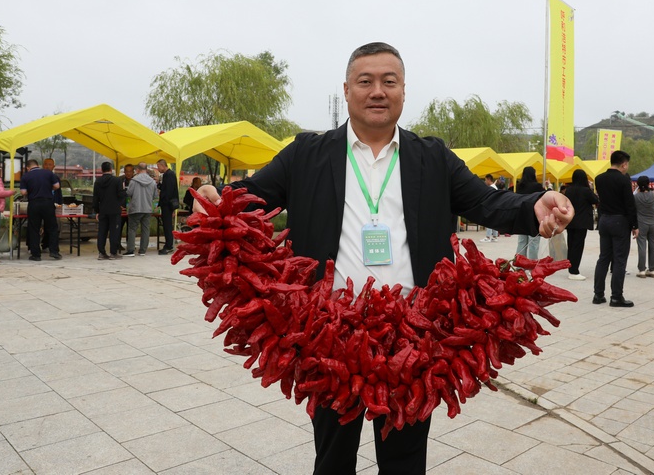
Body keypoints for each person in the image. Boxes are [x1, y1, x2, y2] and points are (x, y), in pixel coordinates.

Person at [195, 42, 573, 475]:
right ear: (347, 89)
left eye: (389, 81)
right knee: (332, 459)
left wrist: (534, 207)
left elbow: (488, 203)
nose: (378, 91)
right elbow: (248, 198)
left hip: (414, 338)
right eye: (366, 81)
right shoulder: (306, 154)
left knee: (405, 463)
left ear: (403, 91)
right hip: (326, 337)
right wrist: (214, 200)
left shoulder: (432, 158)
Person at [592, 150, 638, 307]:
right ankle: (616, 297)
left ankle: (598, 295)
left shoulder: (599, 178)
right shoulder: (624, 180)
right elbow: (629, 204)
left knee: (603, 257)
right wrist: (635, 225)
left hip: (604, 220)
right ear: (624, 164)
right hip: (619, 221)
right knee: (619, 259)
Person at [20, 158, 62, 261]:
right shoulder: (48, 173)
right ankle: (54, 251)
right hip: (48, 203)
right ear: (38, 165)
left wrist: (32, 190)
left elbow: (23, 192)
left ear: (28, 167)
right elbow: (57, 186)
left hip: (34, 203)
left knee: (34, 228)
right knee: (52, 227)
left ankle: (36, 255)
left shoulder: (26, 176)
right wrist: (48, 189)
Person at [562, 168, 599, 280]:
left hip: (570, 221)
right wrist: (590, 187)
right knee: (578, 246)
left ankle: (570, 267)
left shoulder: (569, 190)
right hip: (582, 222)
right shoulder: (586, 191)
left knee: (571, 244)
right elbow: (595, 200)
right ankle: (574, 271)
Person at [123, 162, 157, 257]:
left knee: (132, 229)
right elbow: (155, 196)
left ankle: (130, 250)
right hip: (147, 209)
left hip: (135, 208)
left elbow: (129, 193)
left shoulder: (134, 181)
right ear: (146, 169)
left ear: (137, 170)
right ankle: (142, 251)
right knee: (145, 230)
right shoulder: (152, 182)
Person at [93, 161, 125, 260]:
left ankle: (101, 253)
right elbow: (121, 195)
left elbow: (95, 198)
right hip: (114, 210)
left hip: (103, 210)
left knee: (102, 232)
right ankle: (113, 253)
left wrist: (97, 211)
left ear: (102, 170)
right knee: (114, 232)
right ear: (111, 169)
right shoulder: (117, 180)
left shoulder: (97, 182)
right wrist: (121, 205)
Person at [633, 176, 654, 278]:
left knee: (642, 246)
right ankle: (652, 269)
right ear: (648, 183)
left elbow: (634, 211)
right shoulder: (653, 195)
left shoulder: (636, 196)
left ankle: (642, 270)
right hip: (653, 222)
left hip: (641, 222)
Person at [515, 166, 545, 259]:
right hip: (534, 217)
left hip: (522, 216)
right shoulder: (537, 186)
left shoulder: (519, 186)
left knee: (522, 242)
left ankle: (519, 263)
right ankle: (532, 264)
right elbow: (544, 197)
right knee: (533, 242)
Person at [156, 159, 178, 255]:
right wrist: (159, 185)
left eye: (158, 166)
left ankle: (169, 245)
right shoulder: (169, 175)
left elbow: (168, 191)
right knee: (167, 225)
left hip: (167, 205)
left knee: (167, 225)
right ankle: (169, 244)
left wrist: (164, 201)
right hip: (168, 204)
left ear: (162, 165)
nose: (158, 169)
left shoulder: (168, 175)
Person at [480, 174, 498, 242]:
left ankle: (488, 237)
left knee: (489, 221)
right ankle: (495, 236)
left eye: (485, 180)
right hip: (495, 206)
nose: (485, 182)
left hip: (491, 206)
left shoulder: (491, 188)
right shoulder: (494, 187)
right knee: (494, 222)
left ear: (488, 179)